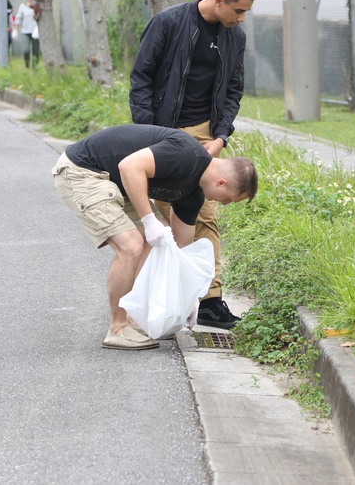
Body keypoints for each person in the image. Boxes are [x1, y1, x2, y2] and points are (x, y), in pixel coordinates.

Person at [129, 0, 263, 330]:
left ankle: (208, 300)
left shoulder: (236, 38)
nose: (241, 18)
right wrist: (149, 132)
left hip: (205, 135)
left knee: (204, 214)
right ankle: (161, 301)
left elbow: (233, 90)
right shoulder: (169, 23)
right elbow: (141, 77)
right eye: (238, 10)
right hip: (162, 131)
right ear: (219, 0)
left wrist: (220, 137)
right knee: (165, 217)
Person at [52, 124, 258, 351]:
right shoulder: (185, 154)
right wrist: (148, 221)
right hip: (83, 171)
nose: (224, 204)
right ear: (222, 183)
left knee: (158, 237)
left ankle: (132, 319)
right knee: (131, 245)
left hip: (117, 182)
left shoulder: (193, 194)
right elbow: (129, 166)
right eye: (228, 199)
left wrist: (186, 300)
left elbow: (179, 249)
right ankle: (118, 328)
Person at [14, 0, 39, 68]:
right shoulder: (22, 7)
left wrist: (32, 6)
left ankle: (35, 68)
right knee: (26, 50)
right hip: (25, 31)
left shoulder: (37, 6)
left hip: (35, 32)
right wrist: (15, 29)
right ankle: (27, 65)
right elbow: (18, 18)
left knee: (35, 52)